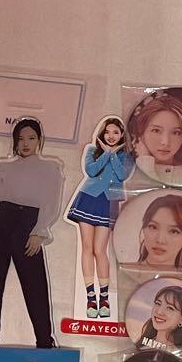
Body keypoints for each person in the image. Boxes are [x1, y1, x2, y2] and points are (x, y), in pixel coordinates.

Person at [0, 118, 64, 348]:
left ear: (39, 140)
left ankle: (44, 341)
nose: (25, 143)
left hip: (28, 225)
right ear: (14, 141)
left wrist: (39, 231)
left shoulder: (50, 168)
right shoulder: (3, 167)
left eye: (31, 138)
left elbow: (51, 203)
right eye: (21, 139)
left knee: (35, 285)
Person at [66, 116, 134, 319]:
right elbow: (91, 171)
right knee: (87, 247)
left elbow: (122, 175)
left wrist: (113, 155)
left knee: (100, 250)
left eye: (115, 132)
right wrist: (106, 153)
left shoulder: (127, 156)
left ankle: (104, 298)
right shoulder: (91, 150)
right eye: (107, 132)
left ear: (122, 135)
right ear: (102, 134)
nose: (111, 136)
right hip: (89, 198)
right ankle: (90, 297)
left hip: (108, 202)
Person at [136, 194, 182, 270]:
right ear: (144, 229)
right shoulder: (125, 270)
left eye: (174, 231)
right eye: (153, 227)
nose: (160, 240)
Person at [137, 284, 182, 351]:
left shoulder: (174, 352)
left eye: (170, 308)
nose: (159, 312)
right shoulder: (142, 341)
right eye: (158, 303)